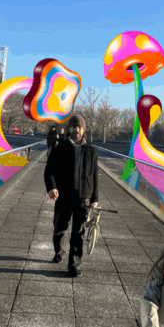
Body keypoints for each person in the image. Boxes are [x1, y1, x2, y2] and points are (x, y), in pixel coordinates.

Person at [43, 113, 98, 277]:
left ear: (84, 130)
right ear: (69, 129)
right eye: (74, 127)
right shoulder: (60, 148)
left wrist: (94, 198)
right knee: (60, 226)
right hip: (64, 196)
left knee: (78, 232)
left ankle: (74, 264)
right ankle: (59, 251)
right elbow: (49, 171)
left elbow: (94, 175)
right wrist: (52, 188)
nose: (77, 130)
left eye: (80, 127)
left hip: (83, 198)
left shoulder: (90, 151)